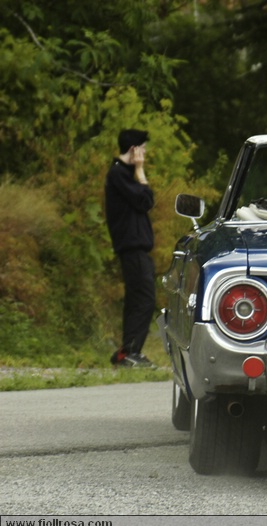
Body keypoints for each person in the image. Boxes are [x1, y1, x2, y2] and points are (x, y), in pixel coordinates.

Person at [105, 129, 157, 368]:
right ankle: (131, 351)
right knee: (144, 299)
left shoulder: (123, 175)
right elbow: (146, 201)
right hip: (132, 247)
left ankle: (128, 351)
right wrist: (140, 170)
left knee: (136, 299)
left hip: (135, 248)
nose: (145, 153)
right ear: (134, 149)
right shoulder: (118, 174)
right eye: (143, 148)